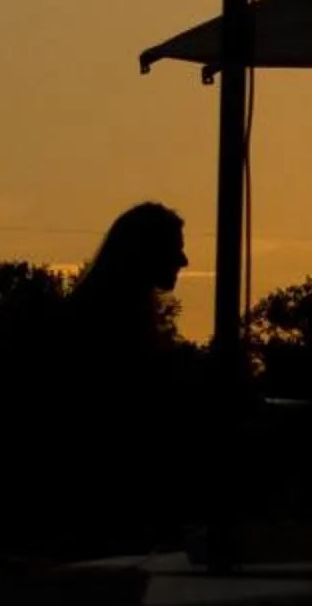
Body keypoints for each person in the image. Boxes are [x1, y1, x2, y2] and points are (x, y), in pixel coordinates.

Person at [41, 201, 201, 553]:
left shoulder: (101, 317)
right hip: (107, 518)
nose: (183, 260)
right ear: (145, 251)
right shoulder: (106, 329)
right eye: (174, 249)